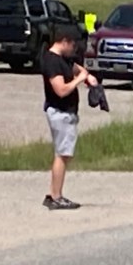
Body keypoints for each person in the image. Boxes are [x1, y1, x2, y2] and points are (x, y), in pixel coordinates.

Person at [41, 24, 98, 210]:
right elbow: (61, 90)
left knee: (63, 153)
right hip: (60, 112)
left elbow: (76, 68)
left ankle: (53, 193)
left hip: (67, 113)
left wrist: (87, 77)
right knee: (62, 154)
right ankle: (56, 196)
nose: (74, 49)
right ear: (64, 42)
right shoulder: (51, 61)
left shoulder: (63, 59)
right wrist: (79, 80)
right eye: (73, 45)